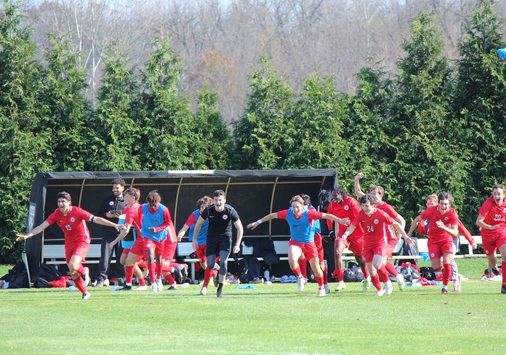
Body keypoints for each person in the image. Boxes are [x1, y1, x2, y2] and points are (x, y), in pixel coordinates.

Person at [16, 191, 121, 300]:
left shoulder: (78, 211)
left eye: (63, 201)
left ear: (69, 202)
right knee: (72, 270)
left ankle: (84, 271)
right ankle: (85, 292)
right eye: (59, 202)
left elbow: (96, 219)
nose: (61, 204)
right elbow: (42, 226)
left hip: (82, 240)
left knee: (73, 265)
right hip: (69, 243)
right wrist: (27, 236)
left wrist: (114, 224)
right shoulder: (56, 214)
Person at [247, 195, 350, 297]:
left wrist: (340, 221)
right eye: (293, 207)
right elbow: (273, 215)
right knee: (291, 259)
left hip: (309, 244)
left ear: (303, 206)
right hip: (296, 242)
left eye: (297, 207)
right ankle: (300, 277)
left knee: (316, 268)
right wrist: (258, 222)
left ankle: (321, 287)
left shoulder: (309, 214)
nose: (295, 210)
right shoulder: (288, 213)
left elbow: (326, 215)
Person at [342, 194, 414, 296]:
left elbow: (396, 224)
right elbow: (352, 226)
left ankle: (388, 282)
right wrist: (346, 234)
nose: (365, 209)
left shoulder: (381, 214)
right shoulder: (361, 214)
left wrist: (405, 236)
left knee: (377, 263)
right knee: (371, 270)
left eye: (367, 206)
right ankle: (379, 289)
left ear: (373, 205)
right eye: (363, 206)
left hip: (380, 243)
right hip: (367, 244)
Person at [355, 173, 406, 291]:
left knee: (380, 262)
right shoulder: (370, 205)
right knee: (378, 263)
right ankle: (397, 278)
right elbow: (358, 192)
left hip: (388, 238)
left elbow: (401, 220)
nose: (371, 195)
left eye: (374, 194)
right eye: (371, 193)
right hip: (377, 238)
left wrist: (399, 236)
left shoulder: (385, 207)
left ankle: (391, 281)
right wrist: (356, 179)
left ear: (381, 195)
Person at [417, 194, 477, 292]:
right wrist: (421, 225)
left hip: (451, 238)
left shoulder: (449, 213)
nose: (429, 205)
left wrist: (471, 241)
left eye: (431, 203)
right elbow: (422, 231)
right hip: (436, 240)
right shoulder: (429, 214)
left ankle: (455, 278)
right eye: (427, 204)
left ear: (437, 203)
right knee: (438, 264)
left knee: (449, 259)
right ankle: (447, 277)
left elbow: (460, 228)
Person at [192, 190, 244, 298]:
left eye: (220, 200)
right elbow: (198, 224)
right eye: (216, 200)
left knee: (223, 262)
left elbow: (240, 228)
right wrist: (194, 239)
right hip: (211, 239)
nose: (218, 203)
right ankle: (218, 271)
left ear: (224, 200)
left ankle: (220, 289)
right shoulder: (209, 210)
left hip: (225, 238)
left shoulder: (230, 211)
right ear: (214, 201)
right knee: (210, 265)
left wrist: (237, 244)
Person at [407, 191, 459, 294]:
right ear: (438, 203)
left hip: (446, 240)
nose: (444, 206)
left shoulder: (452, 213)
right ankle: (451, 277)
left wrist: (444, 227)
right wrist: (408, 235)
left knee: (447, 262)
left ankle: (445, 287)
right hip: (433, 240)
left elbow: (455, 233)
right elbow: (416, 220)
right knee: (435, 267)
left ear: (449, 204)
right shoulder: (431, 211)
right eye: (442, 204)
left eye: (446, 204)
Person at [325, 187, 370, 292]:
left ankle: (367, 277)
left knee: (360, 258)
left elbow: (360, 216)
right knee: (337, 252)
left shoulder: (351, 202)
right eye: (333, 197)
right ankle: (341, 281)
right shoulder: (332, 204)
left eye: (336, 197)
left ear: (342, 195)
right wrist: (330, 230)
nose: (334, 199)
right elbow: (329, 217)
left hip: (357, 233)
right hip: (343, 233)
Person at [109, 187, 148, 291]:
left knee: (130, 261)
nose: (124, 198)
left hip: (142, 239)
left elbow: (126, 230)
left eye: (127, 196)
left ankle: (130, 285)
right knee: (123, 261)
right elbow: (123, 216)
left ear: (134, 198)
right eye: (124, 196)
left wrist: (114, 241)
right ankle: (141, 281)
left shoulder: (132, 210)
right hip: (136, 239)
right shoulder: (132, 208)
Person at [177, 196, 217, 294]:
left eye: (205, 207)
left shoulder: (213, 214)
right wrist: (181, 233)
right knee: (203, 264)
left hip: (209, 242)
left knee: (209, 263)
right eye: (202, 207)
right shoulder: (195, 214)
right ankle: (215, 272)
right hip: (197, 243)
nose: (203, 209)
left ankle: (205, 286)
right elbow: (185, 226)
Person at [140, 190, 175, 292]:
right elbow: (135, 213)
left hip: (160, 236)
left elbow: (168, 223)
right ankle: (153, 283)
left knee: (159, 258)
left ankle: (159, 278)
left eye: (155, 204)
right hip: (148, 235)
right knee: (150, 256)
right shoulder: (143, 207)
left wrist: (157, 229)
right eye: (151, 205)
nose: (153, 207)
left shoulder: (164, 210)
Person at [95, 178, 126, 287]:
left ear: (123, 188)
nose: (115, 190)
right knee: (105, 257)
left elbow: (134, 215)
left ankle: (121, 279)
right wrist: (107, 215)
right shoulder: (107, 200)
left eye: (117, 188)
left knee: (121, 258)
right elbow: (98, 215)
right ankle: (101, 279)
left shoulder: (127, 201)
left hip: (123, 234)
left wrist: (122, 215)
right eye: (113, 188)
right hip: (108, 233)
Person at [475, 184, 506, 294]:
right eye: (494, 194)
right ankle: (494, 267)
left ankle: (504, 285)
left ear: (503, 194)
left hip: (501, 233)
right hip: (487, 235)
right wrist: (490, 227)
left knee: (505, 255)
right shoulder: (488, 204)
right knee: (492, 261)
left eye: (499, 194)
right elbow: (478, 222)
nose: (497, 196)